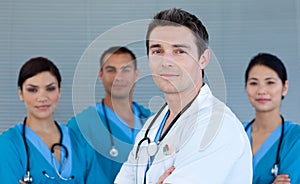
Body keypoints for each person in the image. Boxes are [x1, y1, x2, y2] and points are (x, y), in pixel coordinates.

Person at [115, 8, 252, 183]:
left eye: (179, 51)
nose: (167, 62)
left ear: (203, 59)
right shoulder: (152, 126)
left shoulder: (216, 127)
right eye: (157, 51)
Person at [0, 57, 104, 183]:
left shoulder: (81, 143)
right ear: (21, 93)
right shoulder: (8, 144)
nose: (42, 97)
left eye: (50, 89)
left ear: (59, 91)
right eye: (32, 90)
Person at [67, 46, 152, 183]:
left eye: (126, 70)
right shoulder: (81, 126)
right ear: (100, 74)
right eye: (111, 70)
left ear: (136, 74)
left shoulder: (153, 121)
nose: (118, 77)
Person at [243, 53, 300, 184]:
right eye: (253, 83)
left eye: (270, 82)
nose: (261, 90)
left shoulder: (295, 139)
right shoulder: (236, 134)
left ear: (284, 88)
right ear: (246, 87)